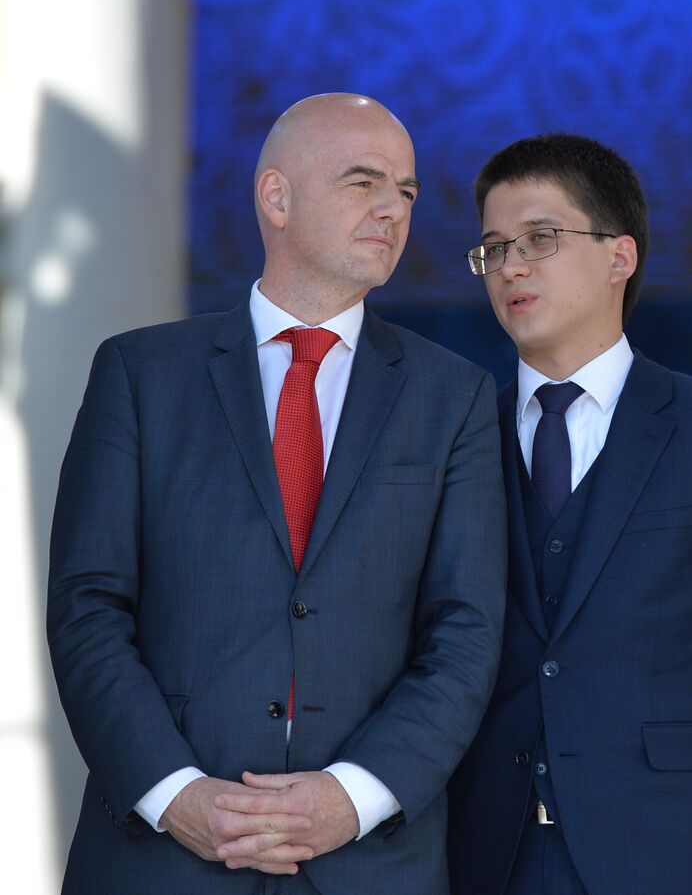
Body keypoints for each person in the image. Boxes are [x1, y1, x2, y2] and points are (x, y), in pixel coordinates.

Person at [47, 93, 506, 894]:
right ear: (276, 197)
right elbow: (88, 608)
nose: (393, 209)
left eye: (406, 190)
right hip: (161, 859)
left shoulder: (455, 396)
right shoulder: (140, 375)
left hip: (369, 863)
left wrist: (353, 798)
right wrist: (173, 795)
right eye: (363, 181)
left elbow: (466, 632)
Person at [446, 133, 692, 895]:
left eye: (540, 239)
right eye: (494, 249)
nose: (511, 266)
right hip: (489, 862)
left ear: (620, 256)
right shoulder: (455, 442)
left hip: (671, 859)